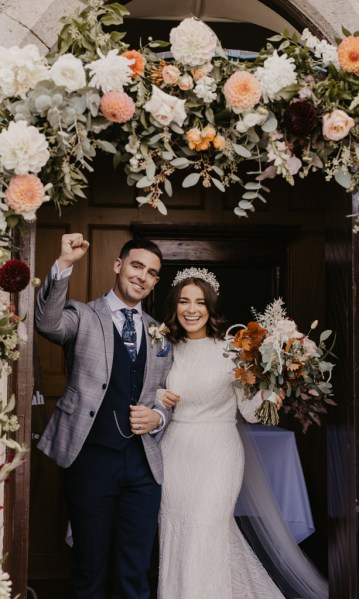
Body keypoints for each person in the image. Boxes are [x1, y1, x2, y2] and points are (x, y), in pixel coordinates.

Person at [151, 267, 329, 599]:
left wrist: (272, 394)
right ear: (174, 305)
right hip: (175, 454)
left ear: (211, 307)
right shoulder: (163, 348)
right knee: (178, 533)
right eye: (184, 302)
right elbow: (145, 392)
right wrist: (157, 397)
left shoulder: (232, 351)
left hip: (218, 453)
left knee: (206, 529)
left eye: (200, 302)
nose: (192, 309)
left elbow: (249, 411)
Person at [35, 233, 179, 599]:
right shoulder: (83, 315)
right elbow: (48, 323)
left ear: (155, 282)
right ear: (118, 265)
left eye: (151, 273)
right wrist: (64, 264)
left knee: (136, 570)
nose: (142, 277)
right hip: (90, 457)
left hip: (143, 464)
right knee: (90, 568)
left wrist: (158, 418)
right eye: (136, 266)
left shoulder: (160, 335)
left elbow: (164, 396)